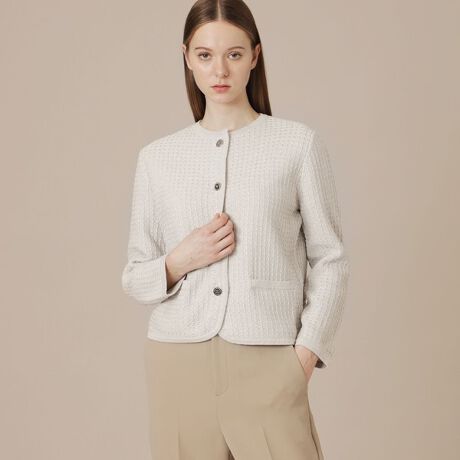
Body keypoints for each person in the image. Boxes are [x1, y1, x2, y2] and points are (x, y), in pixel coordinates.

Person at [121, 1, 350, 459]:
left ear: (255, 56)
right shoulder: (157, 158)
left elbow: (330, 259)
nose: (220, 70)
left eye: (234, 54)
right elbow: (135, 277)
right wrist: (180, 260)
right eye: (205, 55)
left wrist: (306, 352)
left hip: (270, 358)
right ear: (187, 58)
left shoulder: (297, 144)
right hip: (178, 362)